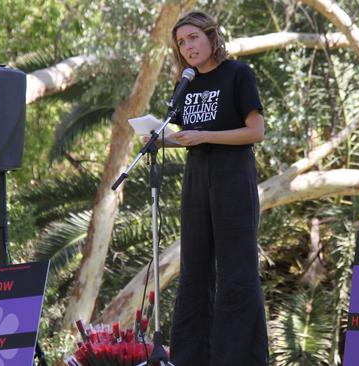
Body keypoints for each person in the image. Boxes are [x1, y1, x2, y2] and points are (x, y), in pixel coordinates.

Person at [161, 10, 269, 366]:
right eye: (181, 42)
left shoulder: (237, 74)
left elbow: (255, 131)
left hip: (233, 179)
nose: (188, 47)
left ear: (211, 36)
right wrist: (160, 139)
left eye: (193, 38)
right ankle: (191, 358)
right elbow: (186, 136)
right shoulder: (186, 82)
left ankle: (238, 358)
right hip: (197, 181)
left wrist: (205, 135)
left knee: (237, 272)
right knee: (194, 269)